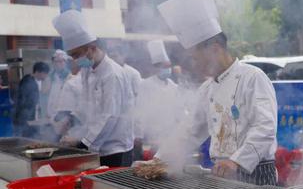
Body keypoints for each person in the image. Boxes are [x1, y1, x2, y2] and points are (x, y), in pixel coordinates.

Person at [154, 0, 278, 185]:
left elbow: (265, 127)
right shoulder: (207, 89)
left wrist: (236, 161)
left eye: (196, 58)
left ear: (215, 48)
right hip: (222, 172)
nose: (194, 65)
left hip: (255, 172)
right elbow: (190, 130)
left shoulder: (253, 77)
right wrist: (159, 159)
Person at [52, 9, 135, 167]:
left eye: (77, 55)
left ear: (91, 47)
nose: (75, 60)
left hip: (115, 149)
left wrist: (83, 143)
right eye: (73, 56)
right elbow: (85, 103)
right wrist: (72, 119)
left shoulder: (113, 74)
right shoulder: (87, 71)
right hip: (96, 146)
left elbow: (109, 115)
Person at [134, 40, 179, 153]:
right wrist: (138, 135)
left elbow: (178, 111)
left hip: (169, 136)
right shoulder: (145, 84)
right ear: (156, 67)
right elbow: (140, 111)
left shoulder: (174, 87)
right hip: (151, 137)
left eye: (169, 66)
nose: (167, 69)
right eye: (164, 66)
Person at [13, 62, 50, 138]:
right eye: (45, 74)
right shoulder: (28, 82)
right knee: (25, 140)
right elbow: (23, 103)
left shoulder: (30, 80)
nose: (46, 76)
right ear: (38, 72)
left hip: (25, 118)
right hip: (23, 119)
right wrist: (26, 120)